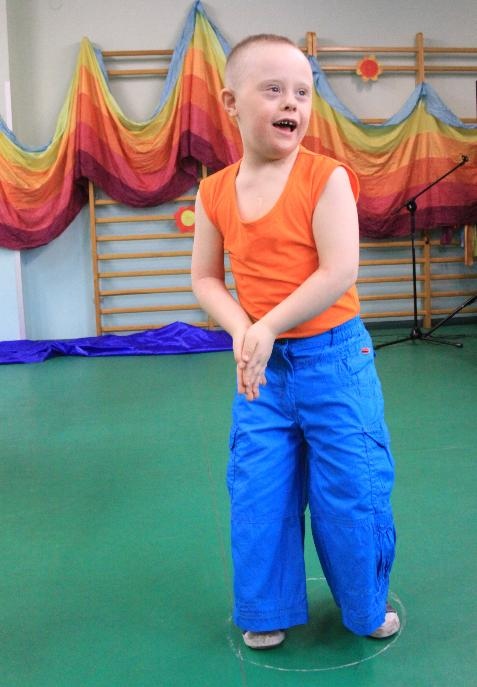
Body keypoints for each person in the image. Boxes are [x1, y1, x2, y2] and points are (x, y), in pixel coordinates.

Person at [191, 34, 399, 650]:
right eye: (274, 90)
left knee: (351, 492)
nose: (292, 103)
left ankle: (364, 606)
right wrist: (244, 330)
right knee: (258, 492)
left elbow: (339, 271)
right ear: (231, 103)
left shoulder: (325, 178)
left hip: (336, 363)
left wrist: (267, 325)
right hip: (263, 372)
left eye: (303, 93)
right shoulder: (214, 191)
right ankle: (265, 606)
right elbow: (205, 278)